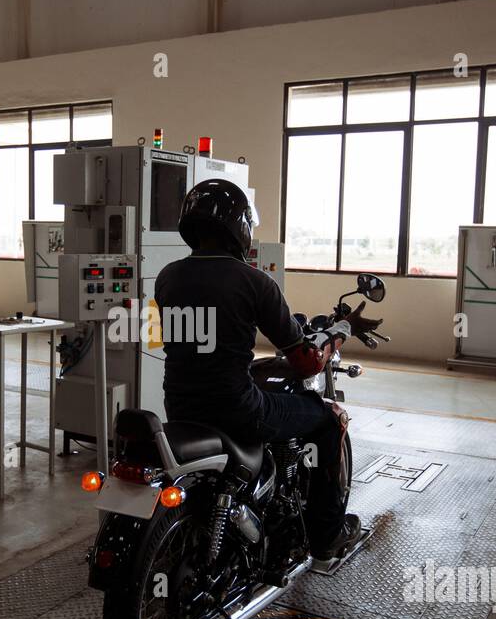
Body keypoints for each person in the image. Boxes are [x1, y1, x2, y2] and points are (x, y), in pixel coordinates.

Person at [154, 178, 374, 562]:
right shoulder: (255, 282)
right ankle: (327, 535)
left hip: (180, 406)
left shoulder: (168, 276)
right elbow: (306, 360)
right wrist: (340, 332)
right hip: (238, 411)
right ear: (241, 227)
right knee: (329, 417)